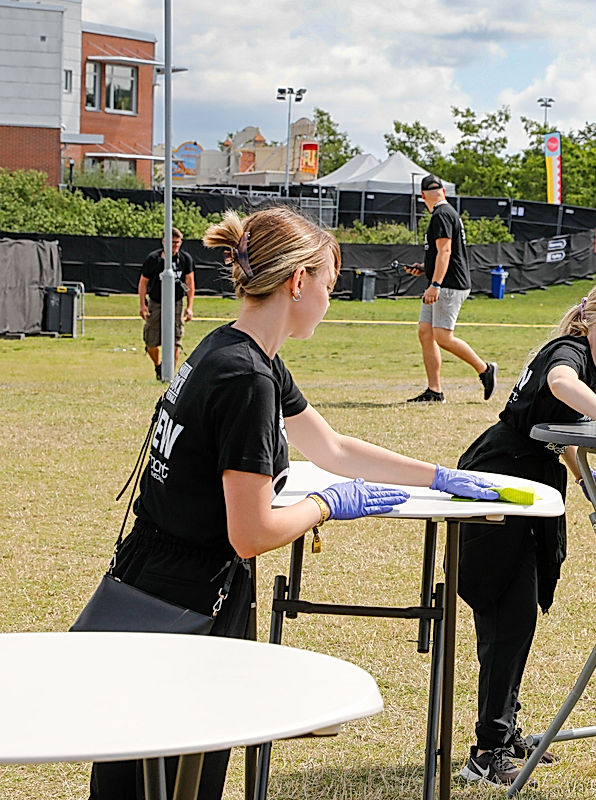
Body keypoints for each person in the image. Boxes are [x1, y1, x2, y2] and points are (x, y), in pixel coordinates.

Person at [89, 206, 499, 800]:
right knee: (170, 775)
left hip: (154, 580)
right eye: (329, 285)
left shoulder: (234, 351)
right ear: (297, 282)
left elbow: (330, 446)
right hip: (185, 601)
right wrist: (329, 505)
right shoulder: (246, 379)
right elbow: (251, 534)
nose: (330, 301)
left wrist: (437, 476)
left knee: (141, 763)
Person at [453, 279, 596, 787]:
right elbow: (561, 386)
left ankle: (504, 727)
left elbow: (555, 428)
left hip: (536, 484)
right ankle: (488, 749)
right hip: (501, 482)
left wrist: (585, 475)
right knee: (507, 612)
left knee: (518, 615)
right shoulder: (569, 353)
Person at [403, 174, 497, 403]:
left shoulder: (441, 215)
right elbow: (445, 254)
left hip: (448, 285)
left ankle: (485, 369)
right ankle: (435, 391)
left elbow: (446, 252)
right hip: (442, 282)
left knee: (443, 337)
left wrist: (435, 284)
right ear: (443, 191)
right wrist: (425, 268)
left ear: (423, 196)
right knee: (426, 333)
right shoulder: (447, 213)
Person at [138, 227, 194, 380]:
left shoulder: (185, 260)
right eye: (171, 242)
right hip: (156, 302)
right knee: (151, 340)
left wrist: (189, 307)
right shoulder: (153, 259)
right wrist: (142, 305)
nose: (175, 246)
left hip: (176, 302)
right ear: (164, 242)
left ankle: (169, 375)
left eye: (177, 243)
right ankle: (158, 365)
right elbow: (143, 283)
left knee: (176, 338)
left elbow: (189, 283)